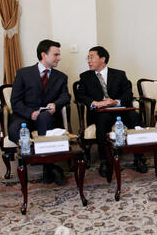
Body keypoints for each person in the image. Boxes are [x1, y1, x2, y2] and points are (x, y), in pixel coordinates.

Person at [76, 46, 147, 177]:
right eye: (88, 57)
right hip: (101, 112)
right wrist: (95, 103)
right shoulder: (85, 77)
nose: (89, 60)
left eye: (92, 57)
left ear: (102, 59)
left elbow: (128, 94)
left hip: (120, 109)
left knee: (135, 117)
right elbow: (81, 96)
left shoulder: (119, 74)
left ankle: (139, 157)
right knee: (102, 122)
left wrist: (116, 101)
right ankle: (105, 160)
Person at [9, 39, 71, 185]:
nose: (59, 58)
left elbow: (66, 96)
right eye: (56, 54)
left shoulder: (61, 77)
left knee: (44, 118)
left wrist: (55, 104)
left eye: (59, 55)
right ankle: (47, 166)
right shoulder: (23, 73)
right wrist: (30, 113)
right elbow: (15, 101)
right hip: (25, 116)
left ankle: (47, 166)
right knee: (15, 129)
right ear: (44, 55)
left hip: (47, 117)